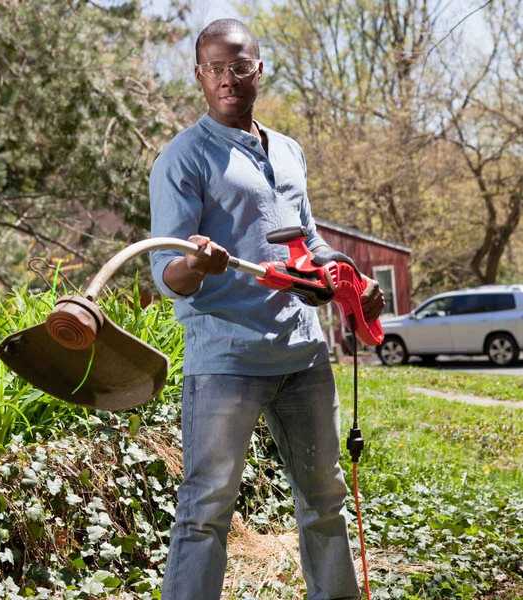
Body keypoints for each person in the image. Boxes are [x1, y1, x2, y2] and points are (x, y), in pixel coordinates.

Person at [149, 18, 385, 600]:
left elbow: (306, 241)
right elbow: (165, 274)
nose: (228, 79)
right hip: (226, 359)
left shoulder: (288, 150)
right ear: (199, 76)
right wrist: (197, 265)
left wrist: (346, 277)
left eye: (239, 66)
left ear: (259, 69)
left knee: (325, 499)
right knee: (206, 510)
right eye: (214, 68)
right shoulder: (183, 159)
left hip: (303, 355)